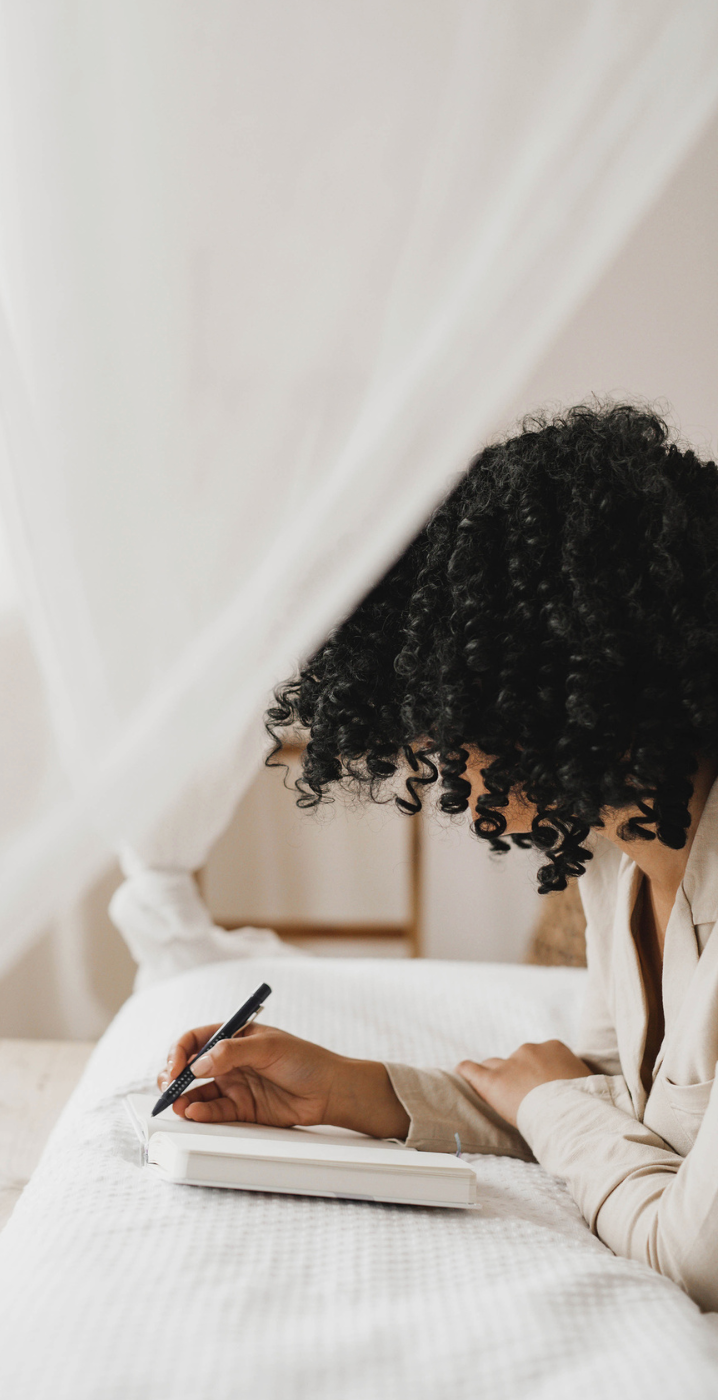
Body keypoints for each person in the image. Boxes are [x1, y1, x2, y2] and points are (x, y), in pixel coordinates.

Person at [158, 403, 718, 1311]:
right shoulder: (620, 862)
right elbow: (603, 1107)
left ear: (558, 680)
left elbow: (696, 1254)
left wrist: (551, 1101)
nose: (434, 754)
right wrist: (347, 1092)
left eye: (443, 709)